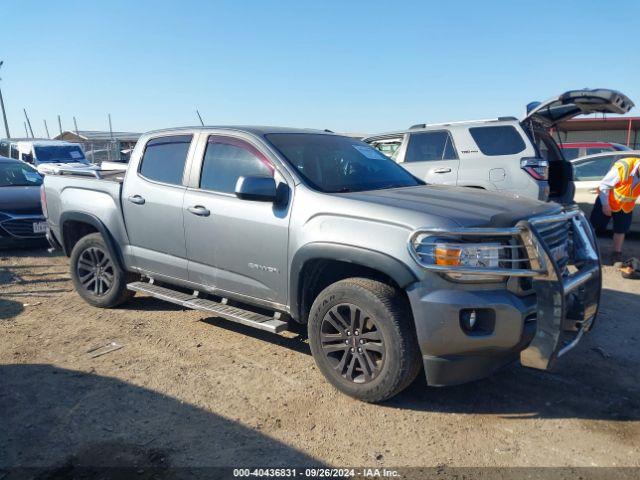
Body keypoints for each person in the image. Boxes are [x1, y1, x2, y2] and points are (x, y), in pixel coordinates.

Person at [590, 155, 640, 265]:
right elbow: (603, 186)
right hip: (607, 201)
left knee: (621, 230)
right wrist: (605, 205)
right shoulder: (623, 167)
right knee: (595, 226)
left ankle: (616, 254)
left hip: (626, 206)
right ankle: (588, 250)